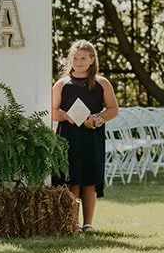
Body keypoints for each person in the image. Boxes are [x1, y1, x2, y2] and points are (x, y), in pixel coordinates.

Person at [51, 39, 119, 234]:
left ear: (91, 60)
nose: (78, 61)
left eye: (83, 58)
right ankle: (74, 223)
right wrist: (66, 116)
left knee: (90, 181)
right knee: (72, 180)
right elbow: (52, 110)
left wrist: (98, 119)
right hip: (68, 137)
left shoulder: (101, 83)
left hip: (92, 136)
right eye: (75, 57)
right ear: (70, 60)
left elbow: (113, 109)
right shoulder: (62, 84)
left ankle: (88, 223)